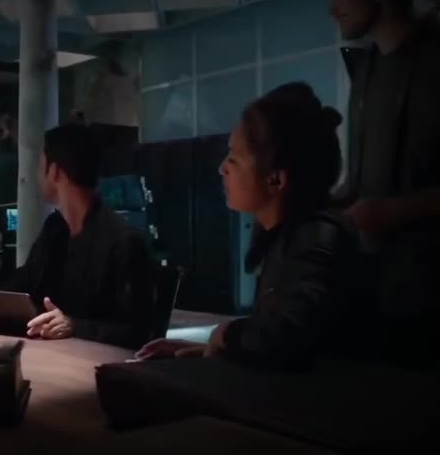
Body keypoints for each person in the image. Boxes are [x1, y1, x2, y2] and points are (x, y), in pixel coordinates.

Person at [136, 83, 360, 368]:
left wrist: (225, 334)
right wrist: (207, 350)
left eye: (233, 158)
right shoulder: (288, 237)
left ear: (276, 179)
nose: (222, 168)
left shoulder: (317, 236)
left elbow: (286, 337)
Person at [0, 123, 154, 349]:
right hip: (52, 355)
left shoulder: (124, 241)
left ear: (54, 171)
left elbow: (139, 332)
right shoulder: (55, 229)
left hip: (95, 364)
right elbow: (24, 282)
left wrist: (74, 326)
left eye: (40, 165)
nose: (36, 175)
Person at [330, 0, 440, 364]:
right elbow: (359, 185)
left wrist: (395, 212)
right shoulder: (365, 71)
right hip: (380, 294)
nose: (332, 8)